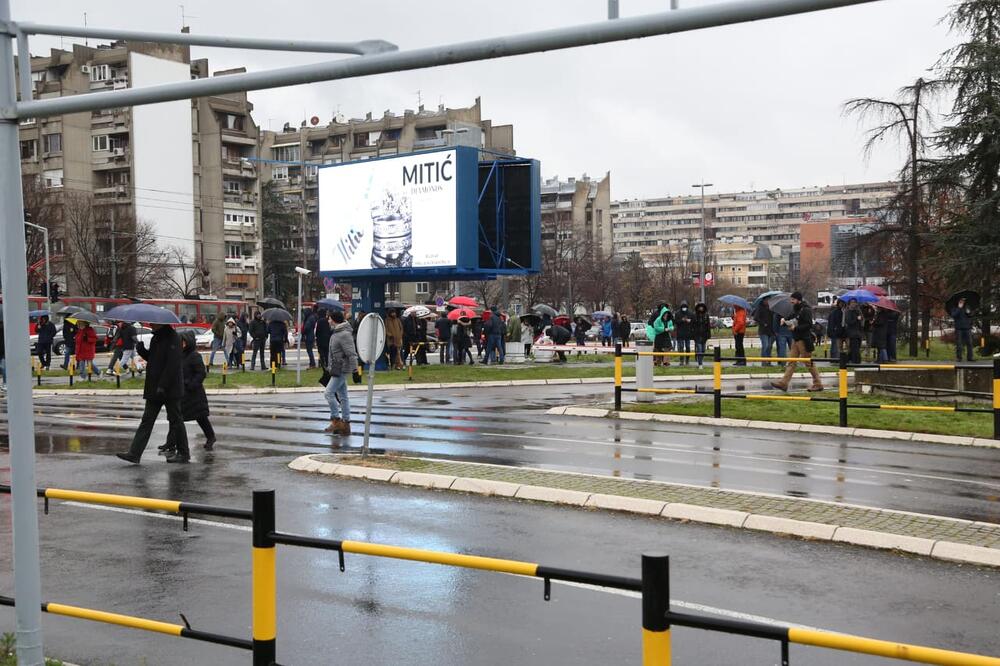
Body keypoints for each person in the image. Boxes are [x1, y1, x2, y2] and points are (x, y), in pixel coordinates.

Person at [116, 322, 190, 464]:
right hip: (155, 387)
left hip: (169, 388)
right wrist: (143, 351)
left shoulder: (173, 338)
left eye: (153, 323)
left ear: (161, 324)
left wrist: (163, 385)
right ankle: (134, 453)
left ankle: (184, 453)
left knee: (176, 421)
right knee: (147, 420)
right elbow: (155, 359)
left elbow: (172, 364)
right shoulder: (157, 337)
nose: (151, 324)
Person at [158, 330, 215, 455]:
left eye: (183, 341)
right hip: (181, 392)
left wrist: (190, 384)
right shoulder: (178, 355)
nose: (181, 344)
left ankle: (211, 437)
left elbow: (201, 373)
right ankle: (170, 443)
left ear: (188, 342)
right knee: (176, 419)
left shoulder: (194, 355)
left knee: (201, 418)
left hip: (194, 393)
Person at [770, 292, 824, 392]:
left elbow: (808, 325)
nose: (791, 302)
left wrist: (796, 328)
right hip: (796, 339)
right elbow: (791, 317)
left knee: (808, 362)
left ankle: (818, 384)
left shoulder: (806, 310)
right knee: (791, 362)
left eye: (793, 300)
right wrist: (784, 320)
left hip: (804, 339)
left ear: (798, 300)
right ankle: (784, 383)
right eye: (791, 300)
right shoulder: (796, 309)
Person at [324, 309, 359, 435]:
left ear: (333, 320)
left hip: (342, 369)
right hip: (336, 368)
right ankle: (346, 423)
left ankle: (336, 420)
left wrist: (355, 370)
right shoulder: (336, 332)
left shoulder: (344, 334)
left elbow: (352, 354)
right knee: (343, 396)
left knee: (328, 393)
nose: (328, 320)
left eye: (329, 318)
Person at [952, 297, 974, 362]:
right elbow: (954, 315)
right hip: (959, 328)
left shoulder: (967, 307)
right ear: (958, 301)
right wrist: (959, 308)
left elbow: (971, 315)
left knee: (969, 343)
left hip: (967, 328)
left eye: (964, 300)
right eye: (961, 300)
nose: (963, 301)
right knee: (959, 343)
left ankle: (970, 357)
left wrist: (969, 312)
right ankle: (959, 357)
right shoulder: (955, 307)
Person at [692, 302, 712, 368]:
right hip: (697, 335)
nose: (701, 308)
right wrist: (693, 335)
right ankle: (700, 364)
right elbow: (692, 325)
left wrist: (709, 334)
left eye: (702, 307)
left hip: (704, 335)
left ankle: (700, 359)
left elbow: (708, 326)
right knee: (699, 349)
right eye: (699, 307)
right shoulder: (694, 315)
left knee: (703, 350)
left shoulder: (706, 315)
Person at [844, 298, 863, 364]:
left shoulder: (857, 311)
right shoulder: (848, 312)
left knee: (855, 347)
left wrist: (860, 318)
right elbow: (849, 322)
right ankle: (856, 361)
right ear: (849, 304)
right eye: (852, 302)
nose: (853, 303)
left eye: (855, 302)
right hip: (852, 333)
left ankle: (849, 359)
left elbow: (860, 321)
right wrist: (856, 319)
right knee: (855, 348)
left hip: (858, 333)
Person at [674, 301, 693, 365]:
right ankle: (681, 360)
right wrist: (681, 320)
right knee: (681, 347)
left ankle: (687, 360)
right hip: (680, 333)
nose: (684, 308)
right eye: (683, 307)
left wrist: (689, 321)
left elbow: (693, 321)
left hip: (688, 332)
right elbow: (676, 322)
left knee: (688, 347)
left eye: (685, 307)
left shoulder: (690, 313)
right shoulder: (677, 313)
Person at [757, 300, 775, 366]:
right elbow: (756, 318)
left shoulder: (771, 308)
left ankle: (768, 362)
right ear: (763, 301)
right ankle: (764, 362)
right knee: (765, 346)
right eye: (767, 300)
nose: (768, 301)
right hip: (763, 330)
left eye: (769, 300)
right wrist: (763, 323)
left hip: (771, 331)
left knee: (769, 346)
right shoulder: (760, 308)